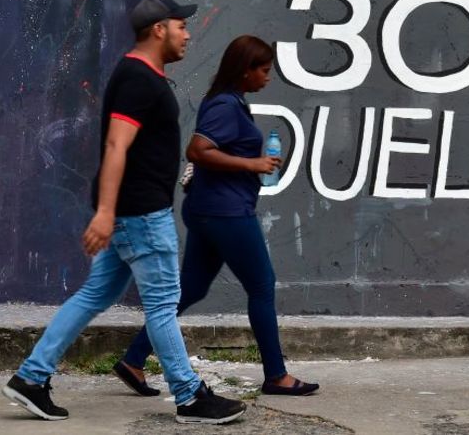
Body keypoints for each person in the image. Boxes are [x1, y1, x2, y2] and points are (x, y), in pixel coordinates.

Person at [2, 0, 247, 424]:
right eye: (180, 26)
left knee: (97, 294)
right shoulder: (138, 79)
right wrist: (105, 212)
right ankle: (190, 395)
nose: (187, 34)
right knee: (163, 303)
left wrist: (108, 210)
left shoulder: (140, 74)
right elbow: (117, 144)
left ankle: (31, 377)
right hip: (141, 213)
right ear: (159, 30)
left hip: (130, 211)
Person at [114, 35, 319, 397]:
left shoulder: (228, 102)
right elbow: (197, 150)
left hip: (208, 210)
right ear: (245, 71)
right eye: (264, 71)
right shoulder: (225, 105)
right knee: (261, 285)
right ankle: (276, 375)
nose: (268, 78)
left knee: (190, 288)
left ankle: (133, 360)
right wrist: (251, 163)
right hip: (226, 213)